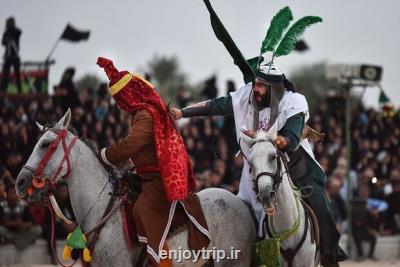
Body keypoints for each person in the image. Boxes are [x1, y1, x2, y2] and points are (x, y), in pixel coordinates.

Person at [171, 60, 347, 266]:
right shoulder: (248, 96)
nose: (256, 89)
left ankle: (329, 253)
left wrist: (264, 136)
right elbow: (217, 105)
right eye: (255, 83)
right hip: (258, 167)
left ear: (274, 88)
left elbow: (290, 139)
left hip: (296, 167)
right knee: (245, 214)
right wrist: (183, 112)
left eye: (261, 85)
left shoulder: (294, 102)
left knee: (320, 204)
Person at [96, 57, 210, 266]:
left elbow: (131, 145)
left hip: (157, 179)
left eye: (121, 98)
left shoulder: (145, 115)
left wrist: (103, 156)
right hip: (144, 173)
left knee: (142, 209)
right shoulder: (145, 112)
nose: (120, 104)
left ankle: (159, 259)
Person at [352, 185, 388, 261]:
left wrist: (372, 212)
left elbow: (383, 207)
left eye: (365, 192)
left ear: (368, 193)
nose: (364, 193)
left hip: (365, 227)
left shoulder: (370, 203)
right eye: (362, 192)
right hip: (356, 227)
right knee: (357, 237)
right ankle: (360, 255)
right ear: (359, 193)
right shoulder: (354, 202)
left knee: (373, 237)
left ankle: (370, 255)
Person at [0, 185, 41, 249]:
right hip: (8, 233)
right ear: (6, 194)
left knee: (38, 229)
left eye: (15, 193)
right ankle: (19, 242)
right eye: (11, 193)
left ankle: (15, 242)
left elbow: (32, 221)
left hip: (21, 232)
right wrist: (14, 223)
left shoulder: (23, 205)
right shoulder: (1, 206)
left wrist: (26, 224)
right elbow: (2, 223)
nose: (14, 195)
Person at [0, 17, 22, 93]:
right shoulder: (6, 33)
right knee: (5, 74)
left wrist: (11, 32)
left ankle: (19, 90)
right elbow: (3, 42)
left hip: (15, 55)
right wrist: (7, 38)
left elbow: (19, 32)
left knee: (17, 74)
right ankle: (3, 90)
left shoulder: (16, 31)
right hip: (8, 56)